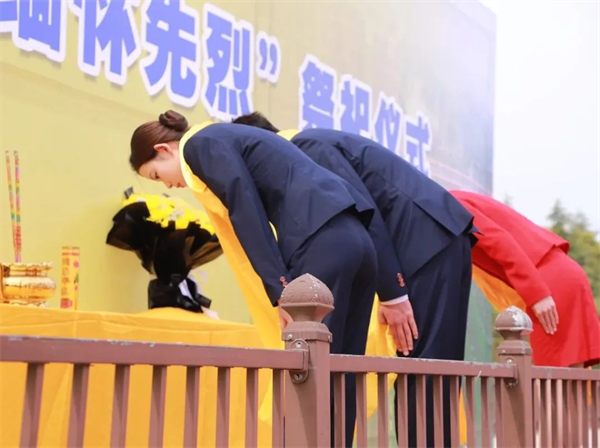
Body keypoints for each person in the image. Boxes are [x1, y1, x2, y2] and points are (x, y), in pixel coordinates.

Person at [130, 110, 378, 447]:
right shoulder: (223, 136)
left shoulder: (200, 144)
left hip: (319, 238)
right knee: (341, 368)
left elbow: (244, 208)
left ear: (164, 149)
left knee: (310, 369)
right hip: (357, 239)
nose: (169, 185)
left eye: (157, 175)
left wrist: (281, 288)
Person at [232, 112, 476, 448]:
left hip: (423, 244)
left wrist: (393, 294)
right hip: (438, 239)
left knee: (424, 371)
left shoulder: (307, 147)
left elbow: (364, 213)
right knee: (433, 372)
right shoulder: (314, 144)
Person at [452, 190, 600, 368]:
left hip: (548, 280)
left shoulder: (450, 203)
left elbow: (498, 241)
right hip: (560, 274)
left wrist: (536, 293)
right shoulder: (452, 202)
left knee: (553, 379)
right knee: (571, 379)